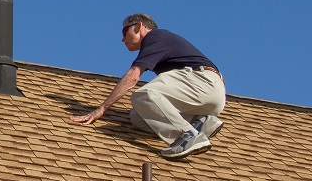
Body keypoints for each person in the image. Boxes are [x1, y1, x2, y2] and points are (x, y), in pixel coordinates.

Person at [72, 14, 226, 159]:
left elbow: (133, 76)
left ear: (139, 26)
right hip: (208, 95)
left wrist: (102, 108)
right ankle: (200, 122)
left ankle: (187, 136)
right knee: (138, 117)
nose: (123, 39)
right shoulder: (158, 45)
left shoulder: (155, 37)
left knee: (143, 95)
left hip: (201, 82)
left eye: (125, 32)